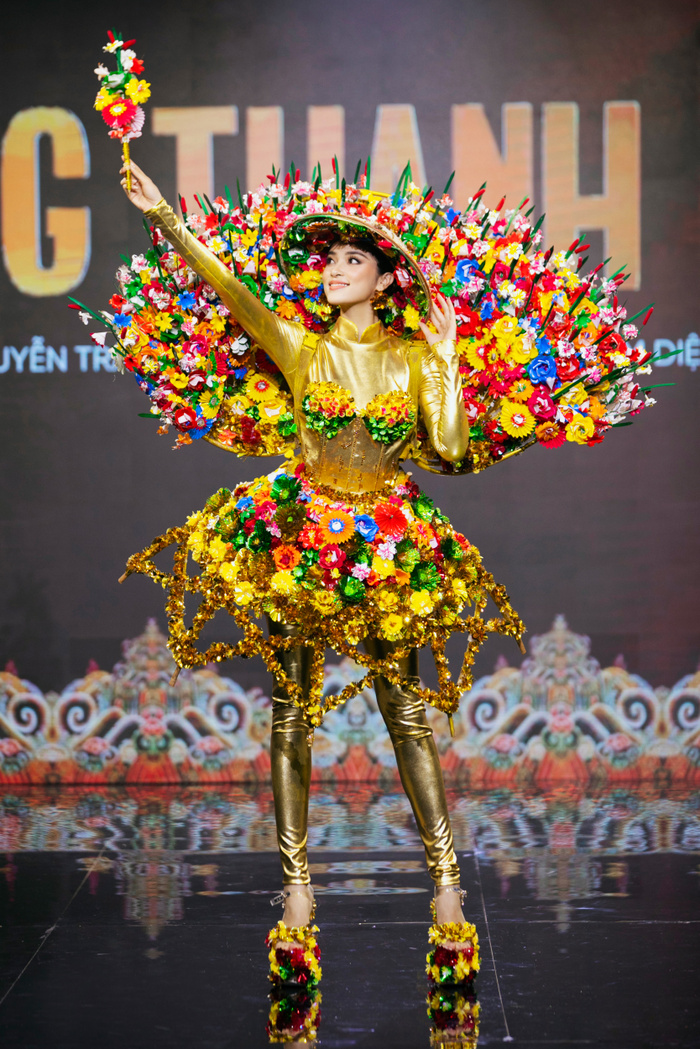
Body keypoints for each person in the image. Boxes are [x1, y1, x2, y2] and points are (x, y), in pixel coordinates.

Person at [120, 159, 522, 986]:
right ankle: (298, 890)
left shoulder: (415, 357)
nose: (333, 271)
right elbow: (227, 286)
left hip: (385, 542)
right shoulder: (300, 346)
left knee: (405, 713)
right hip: (302, 536)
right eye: (328, 260)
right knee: (291, 710)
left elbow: (450, 450)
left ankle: (447, 886)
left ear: (386, 278)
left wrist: (448, 357)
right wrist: (163, 216)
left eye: (351, 260)